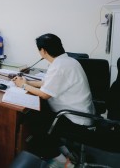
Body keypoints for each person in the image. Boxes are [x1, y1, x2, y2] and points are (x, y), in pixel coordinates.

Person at [12, 33, 95, 166]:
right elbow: (47, 82)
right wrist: (26, 81)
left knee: (36, 125)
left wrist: (23, 85)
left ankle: (64, 162)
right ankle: (64, 151)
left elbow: (45, 94)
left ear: (43, 51)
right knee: (40, 113)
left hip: (75, 119)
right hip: (79, 112)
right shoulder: (66, 61)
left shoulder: (60, 66)